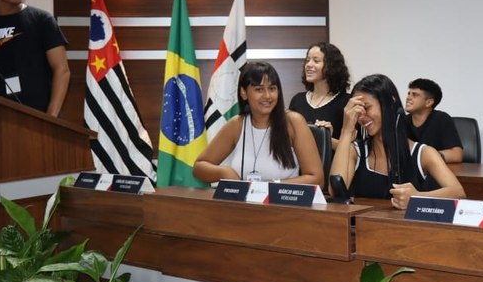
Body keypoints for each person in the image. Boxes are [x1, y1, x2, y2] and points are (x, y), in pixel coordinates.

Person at [331, 74, 465, 209]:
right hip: (363, 228)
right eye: (357, 110)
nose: (362, 116)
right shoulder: (356, 151)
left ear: (389, 104)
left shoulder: (423, 153)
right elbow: (335, 190)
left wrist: (416, 198)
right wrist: (346, 130)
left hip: (406, 229)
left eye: (367, 107)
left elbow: (458, 193)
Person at [195, 61, 323, 187]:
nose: (267, 96)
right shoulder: (237, 125)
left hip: (282, 205)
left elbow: (316, 178)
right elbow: (199, 167)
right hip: (244, 205)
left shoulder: (293, 122)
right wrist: (224, 172)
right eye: (259, 89)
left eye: (272, 89)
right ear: (244, 93)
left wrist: (272, 187)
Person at [289, 42, 351, 147]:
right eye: (307, 60)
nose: (308, 65)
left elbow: (354, 150)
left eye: (316, 61)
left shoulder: (346, 102)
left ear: (331, 66)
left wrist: (326, 138)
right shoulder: (297, 100)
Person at [404, 78, 463, 163]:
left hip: (435, 172)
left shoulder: (442, 119)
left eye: (415, 95)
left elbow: (457, 155)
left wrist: (427, 157)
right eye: (409, 94)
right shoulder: (402, 121)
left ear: (428, 102)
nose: (408, 98)